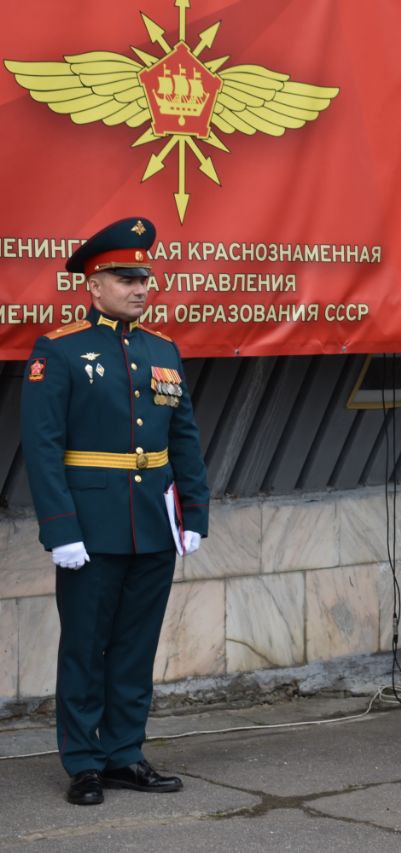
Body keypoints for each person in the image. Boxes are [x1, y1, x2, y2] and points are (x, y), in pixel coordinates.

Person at [20, 217, 209, 806]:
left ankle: (125, 753)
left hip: (153, 523)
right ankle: (83, 763)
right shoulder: (60, 349)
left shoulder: (162, 350)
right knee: (85, 647)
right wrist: (60, 529)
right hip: (91, 526)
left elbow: (183, 438)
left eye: (144, 278)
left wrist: (194, 513)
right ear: (93, 285)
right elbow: (43, 446)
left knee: (135, 646)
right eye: (126, 279)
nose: (140, 288)